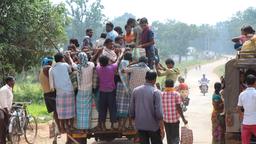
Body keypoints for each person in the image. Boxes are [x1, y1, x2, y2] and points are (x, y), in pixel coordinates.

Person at [130, 70, 164, 144]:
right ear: (155, 80)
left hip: (140, 125)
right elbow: (159, 113)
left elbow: (132, 110)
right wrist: (162, 126)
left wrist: (134, 121)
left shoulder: (136, 91)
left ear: (145, 78)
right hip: (154, 126)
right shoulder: (156, 92)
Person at [96, 52, 123, 131]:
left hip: (102, 92)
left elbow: (97, 61)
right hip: (111, 91)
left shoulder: (98, 68)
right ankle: (112, 126)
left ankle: (103, 126)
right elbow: (118, 60)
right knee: (112, 108)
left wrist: (98, 52)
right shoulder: (112, 67)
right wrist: (121, 52)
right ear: (107, 61)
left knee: (102, 109)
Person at [49, 53, 76, 133]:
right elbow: (71, 70)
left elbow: (51, 86)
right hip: (69, 91)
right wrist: (68, 59)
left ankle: (63, 128)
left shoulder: (51, 69)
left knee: (61, 112)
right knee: (71, 110)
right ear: (62, 59)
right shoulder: (65, 65)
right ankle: (70, 126)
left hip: (60, 93)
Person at [161, 79, 188, 144]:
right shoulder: (176, 94)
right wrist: (183, 119)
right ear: (173, 85)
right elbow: (179, 108)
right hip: (175, 120)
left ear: (165, 85)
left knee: (169, 137)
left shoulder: (162, 94)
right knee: (175, 137)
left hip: (166, 120)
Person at [39, 57, 61, 131]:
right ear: (49, 63)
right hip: (51, 94)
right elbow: (54, 79)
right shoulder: (48, 68)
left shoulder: (41, 70)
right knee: (58, 111)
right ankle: (60, 127)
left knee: (55, 112)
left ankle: (58, 127)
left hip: (46, 94)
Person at [76, 52, 95, 130]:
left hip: (80, 90)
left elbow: (72, 63)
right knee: (87, 109)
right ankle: (87, 127)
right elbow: (92, 61)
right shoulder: (91, 65)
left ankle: (81, 127)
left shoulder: (78, 67)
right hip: (89, 90)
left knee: (80, 110)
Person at [116, 52, 133, 131]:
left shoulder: (120, 63)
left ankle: (120, 125)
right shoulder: (130, 64)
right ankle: (125, 126)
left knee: (119, 107)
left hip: (119, 86)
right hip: (127, 87)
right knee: (127, 107)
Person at [237, 74, 256, 144]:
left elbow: (238, 108)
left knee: (245, 142)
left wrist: (242, 117)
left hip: (246, 123)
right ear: (255, 82)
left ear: (246, 83)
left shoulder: (242, 94)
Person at [0, 76, 15, 144]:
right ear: (9, 82)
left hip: (6, 109)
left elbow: (9, 99)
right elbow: (3, 102)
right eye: (13, 81)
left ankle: (4, 140)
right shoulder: (4, 89)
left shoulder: (10, 89)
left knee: (6, 126)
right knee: (2, 124)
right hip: (2, 109)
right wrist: (7, 111)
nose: (14, 82)